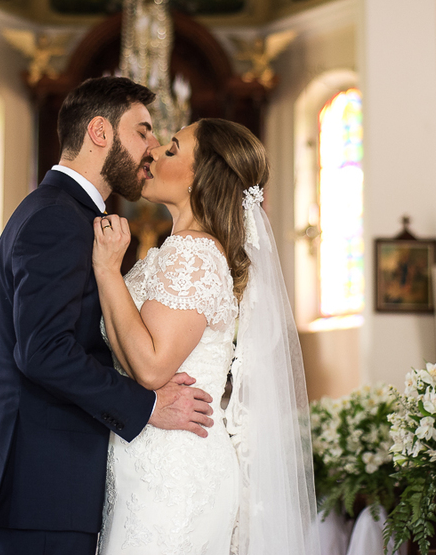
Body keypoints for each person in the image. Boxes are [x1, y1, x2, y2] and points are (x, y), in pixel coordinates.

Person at [0, 76, 215, 555]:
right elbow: (42, 351)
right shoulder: (58, 218)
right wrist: (147, 406)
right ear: (100, 133)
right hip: (42, 485)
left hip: (50, 484)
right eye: (142, 131)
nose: (153, 146)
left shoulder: (69, 213)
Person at [93, 118, 319, 554]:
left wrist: (106, 270)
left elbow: (151, 366)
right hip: (151, 456)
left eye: (173, 149)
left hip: (176, 470)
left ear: (203, 178)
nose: (155, 151)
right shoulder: (176, 249)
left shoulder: (193, 252)